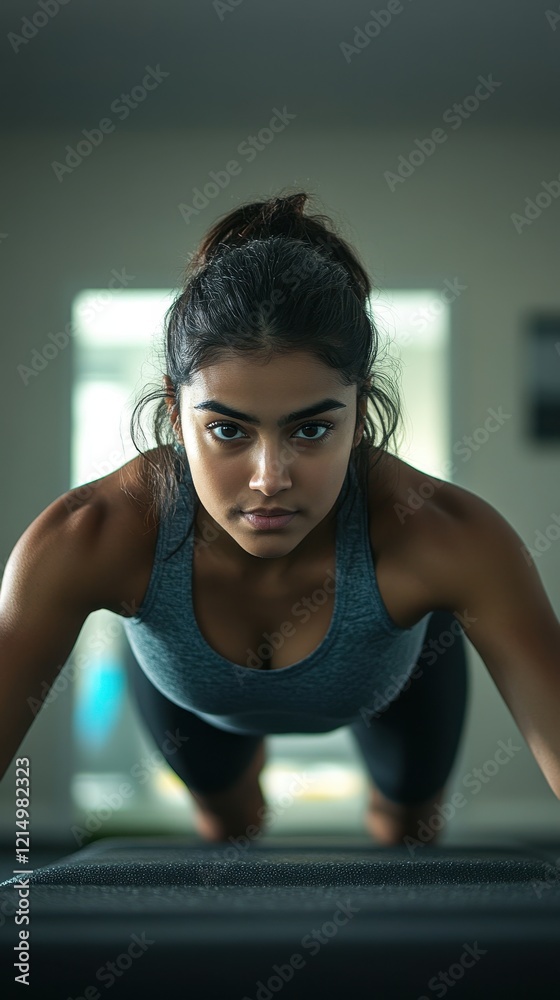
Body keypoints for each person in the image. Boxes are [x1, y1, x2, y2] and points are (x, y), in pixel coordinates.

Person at [1, 192, 559, 849]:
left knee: (408, 839)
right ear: (176, 414)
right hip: (196, 700)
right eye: (228, 430)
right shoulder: (90, 534)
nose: (271, 477)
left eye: (313, 427)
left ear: (361, 414)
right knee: (229, 831)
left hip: (391, 684)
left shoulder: (446, 536)